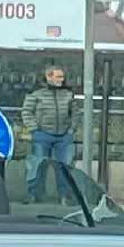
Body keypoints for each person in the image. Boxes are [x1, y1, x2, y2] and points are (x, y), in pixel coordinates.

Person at [20, 65, 78, 205]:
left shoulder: (68, 93)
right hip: (42, 134)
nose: (61, 80)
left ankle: (65, 196)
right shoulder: (36, 93)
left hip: (64, 136)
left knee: (65, 167)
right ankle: (33, 194)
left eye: (62, 77)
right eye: (58, 77)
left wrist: (71, 129)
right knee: (37, 166)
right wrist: (34, 129)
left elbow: (75, 113)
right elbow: (26, 111)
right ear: (48, 77)